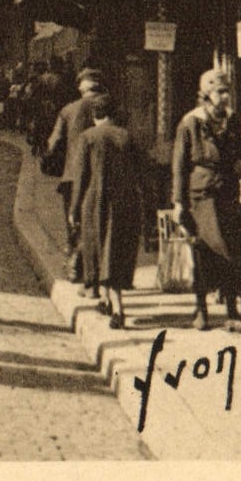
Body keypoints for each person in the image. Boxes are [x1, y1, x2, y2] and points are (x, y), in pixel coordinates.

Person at [171, 69, 241, 332]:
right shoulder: (191, 122)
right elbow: (179, 165)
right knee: (205, 251)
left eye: (227, 91)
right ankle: (202, 309)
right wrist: (178, 202)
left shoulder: (231, 120)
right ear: (206, 94)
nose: (225, 97)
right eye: (220, 92)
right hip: (201, 196)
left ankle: (231, 311)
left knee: (233, 250)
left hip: (227, 192)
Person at [69, 89, 144, 328]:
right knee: (116, 251)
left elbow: (81, 177)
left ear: (95, 115)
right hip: (126, 202)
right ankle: (107, 301)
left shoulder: (88, 137)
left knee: (100, 249)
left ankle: (118, 309)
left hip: (96, 203)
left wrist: (73, 209)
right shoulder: (128, 137)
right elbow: (142, 172)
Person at [45, 69, 106, 278]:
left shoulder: (69, 110)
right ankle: (97, 268)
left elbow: (53, 144)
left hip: (72, 174)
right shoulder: (109, 107)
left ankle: (74, 264)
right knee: (100, 221)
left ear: (81, 87)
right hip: (102, 174)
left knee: (74, 219)